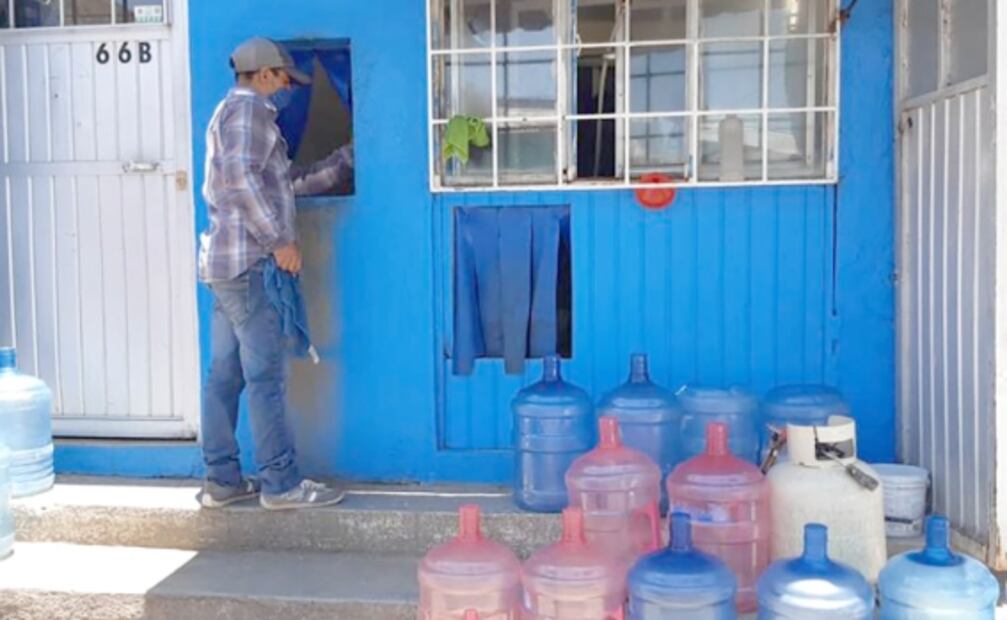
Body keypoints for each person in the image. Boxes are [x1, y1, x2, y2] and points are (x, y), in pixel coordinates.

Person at [197, 37, 353, 510]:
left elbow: (283, 184)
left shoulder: (227, 112)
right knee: (264, 377)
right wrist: (279, 241)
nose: (288, 88)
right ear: (263, 75)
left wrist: (344, 161)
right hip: (250, 266)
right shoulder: (250, 113)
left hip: (225, 266)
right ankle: (281, 484)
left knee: (224, 377)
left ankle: (222, 481)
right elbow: (242, 180)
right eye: (285, 78)